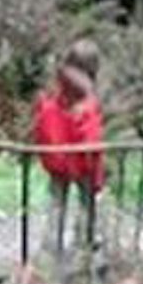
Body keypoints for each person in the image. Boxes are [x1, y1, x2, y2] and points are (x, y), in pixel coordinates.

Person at [32, 39, 105, 258]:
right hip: (83, 163)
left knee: (57, 202)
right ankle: (84, 245)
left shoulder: (58, 92)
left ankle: (51, 245)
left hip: (59, 159)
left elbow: (46, 119)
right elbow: (92, 137)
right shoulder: (88, 103)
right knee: (87, 204)